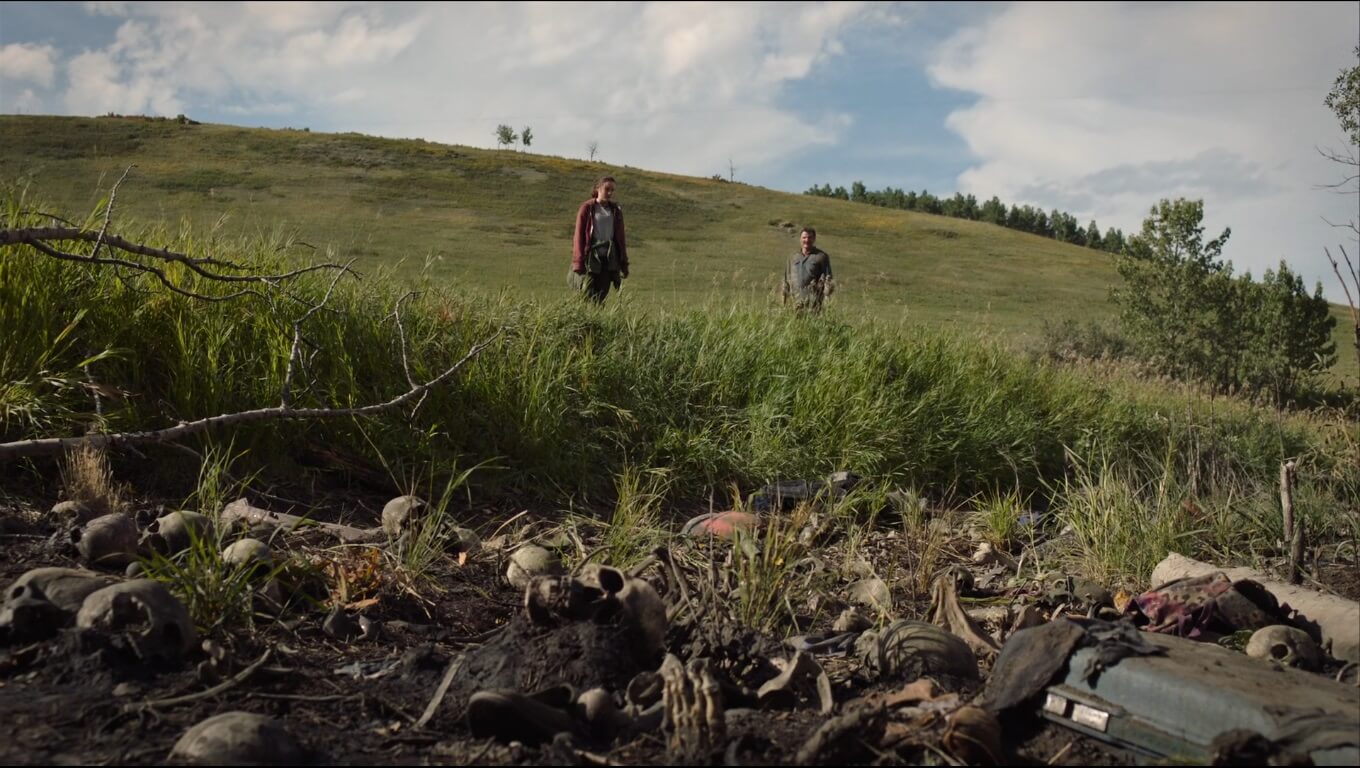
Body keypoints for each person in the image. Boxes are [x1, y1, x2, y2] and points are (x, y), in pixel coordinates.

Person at [570, 176, 629, 303]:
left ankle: (598, 315)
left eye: (612, 190)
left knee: (600, 297)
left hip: (608, 260)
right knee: (585, 294)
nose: (610, 193)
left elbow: (620, 238)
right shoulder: (587, 208)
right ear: (598, 188)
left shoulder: (615, 210)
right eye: (607, 189)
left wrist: (623, 263)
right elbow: (578, 236)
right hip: (590, 259)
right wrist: (578, 262)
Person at [782, 227, 833, 311]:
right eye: (804, 237)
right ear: (800, 239)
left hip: (813, 304)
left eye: (810, 237)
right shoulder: (793, 257)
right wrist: (784, 303)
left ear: (814, 239)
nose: (807, 240)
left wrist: (827, 302)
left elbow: (828, 281)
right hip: (794, 303)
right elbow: (786, 280)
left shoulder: (821, 257)